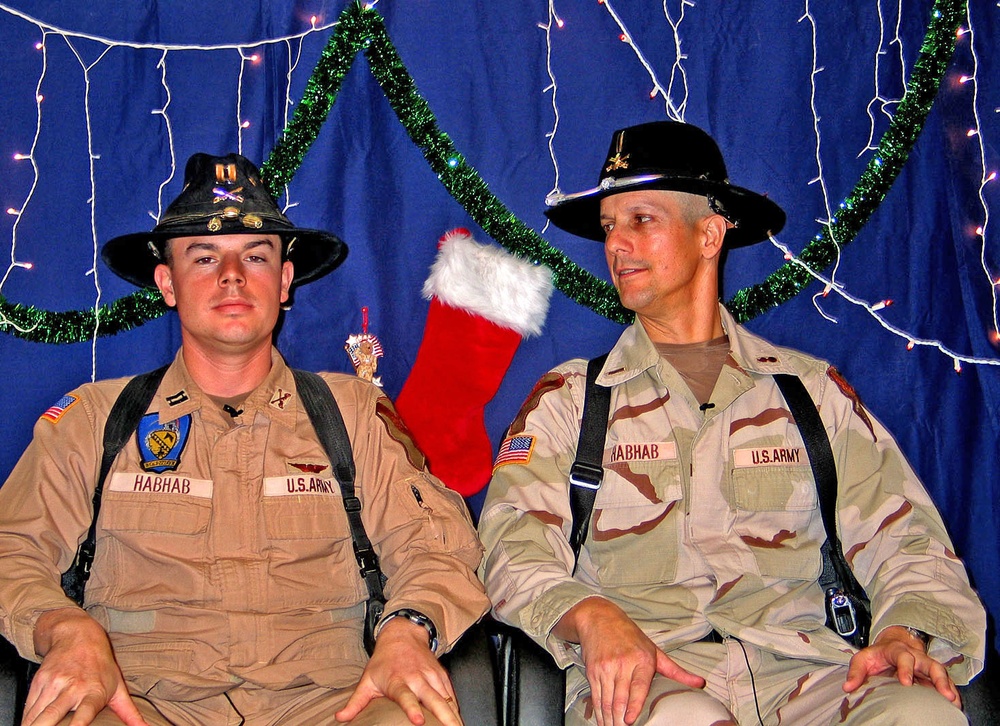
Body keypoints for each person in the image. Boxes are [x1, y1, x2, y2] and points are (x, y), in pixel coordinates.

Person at [478, 121, 986, 726]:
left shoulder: (810, 395)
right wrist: (590, 615)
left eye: (641, 220)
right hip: (650, 678)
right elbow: (509, 546)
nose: (616, 245)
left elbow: (909, 539)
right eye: (610, 227)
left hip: (806, 673)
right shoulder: (570, 403)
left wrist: (905, 631)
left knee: (919, 716)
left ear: (711, 233)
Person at [0, 153, 490, 726]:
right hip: (143, 705)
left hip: (329, 703)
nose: (232, 275)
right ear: (167, 282)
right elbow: (13, 550)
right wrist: (65, 630)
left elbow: (437, 546)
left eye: (255, 256)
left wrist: (409, 628)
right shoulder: (94, 421)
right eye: (204, 257)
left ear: (284, 282)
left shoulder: (352, 415)